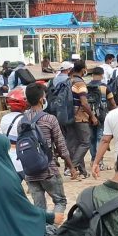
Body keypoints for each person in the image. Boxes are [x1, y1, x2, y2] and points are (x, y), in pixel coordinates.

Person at [22, 82, 78, 214]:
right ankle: (52, 228)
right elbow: (61, 145)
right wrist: (71, 167)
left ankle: (42, 231)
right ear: (42, 99)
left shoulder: (22, 120)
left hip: (29, 171)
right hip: (48, 169)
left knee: (39, 208)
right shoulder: (49, 119)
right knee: (60, 201)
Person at [65, 60, 97, 178]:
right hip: (80, 116)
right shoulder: (80, 84)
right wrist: (92, 116)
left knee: (75, 144)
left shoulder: (69, 81)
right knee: (85, 142)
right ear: (83, 69)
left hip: (68, 115)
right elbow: (84, 103)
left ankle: (82, 171)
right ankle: (72, 168)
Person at [88, 67, 117, 170]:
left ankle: (92, 159)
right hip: (102, 116)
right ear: (102, 75)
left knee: (91, 138)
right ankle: (99, 161)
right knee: (100, 138)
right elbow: (112, 102)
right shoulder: (105, 87)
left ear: (92, 75)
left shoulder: (87, 86)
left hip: (89, 116)